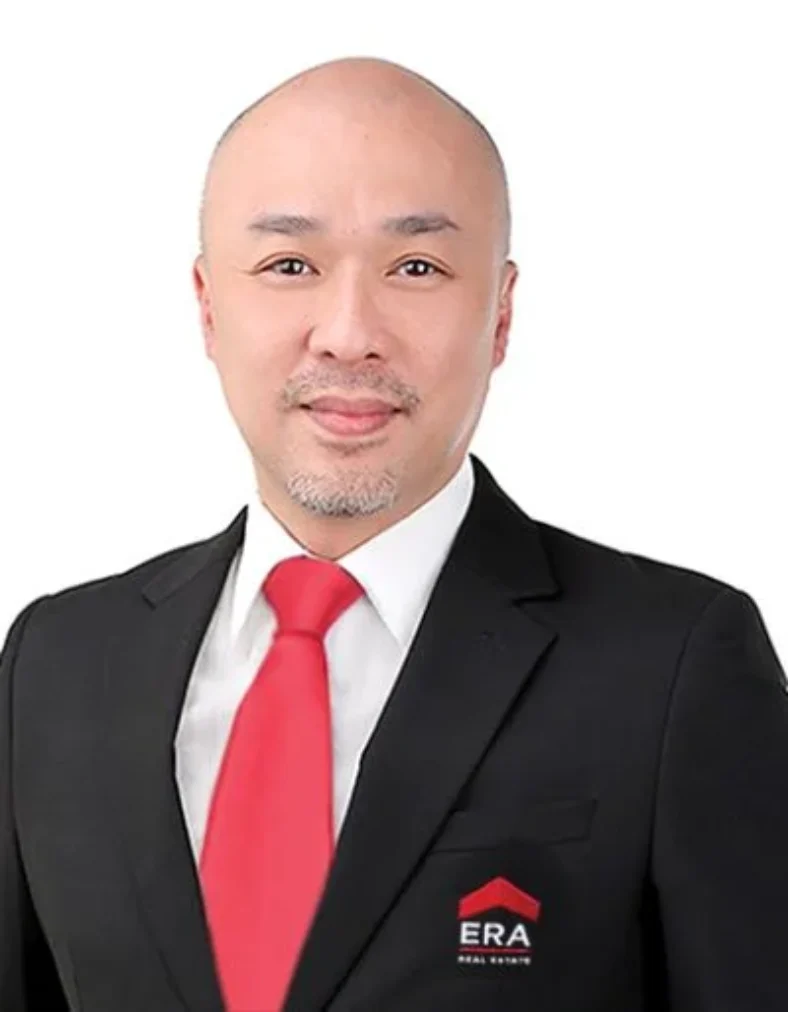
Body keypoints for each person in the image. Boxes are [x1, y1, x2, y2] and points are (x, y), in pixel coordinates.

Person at [1, 55, 787, 1012]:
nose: (347, 333)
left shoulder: (674, 665)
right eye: (289, 266)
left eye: (417, 268)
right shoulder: (56, 663)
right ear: (208, 306)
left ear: (500, 315)